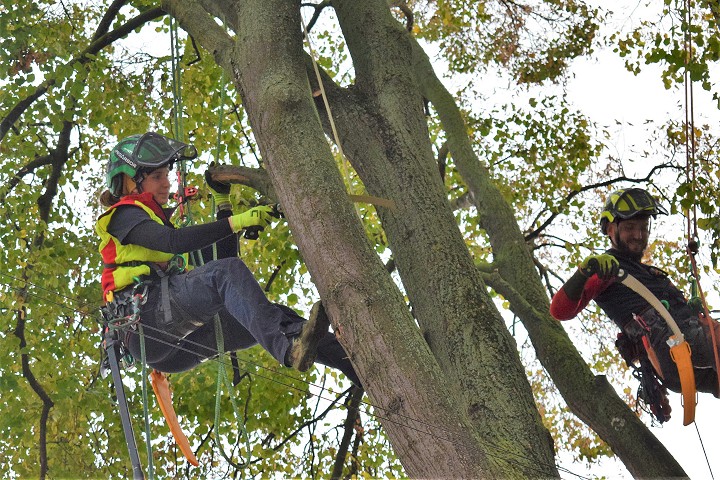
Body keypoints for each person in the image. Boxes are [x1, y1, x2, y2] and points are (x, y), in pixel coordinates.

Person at [97, 132, 360, 387]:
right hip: (148, 323)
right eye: (157, 176)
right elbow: (174, 242)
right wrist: (238, 222)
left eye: (166, 175)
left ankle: (356, 367)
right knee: (227, 276)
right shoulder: (123, 215)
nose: (166, 183)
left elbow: (224, 266)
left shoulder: (155, 230)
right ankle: (286, 350)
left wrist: (223, 203)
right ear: (129, 182)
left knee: (271, 317)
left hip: (171, 343)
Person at [550, 188, 720, 404]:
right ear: (610, 229)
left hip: (686, 348)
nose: (638, 235)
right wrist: (584, 271)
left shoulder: (653, 275)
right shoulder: (609, 270)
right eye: (630, 228)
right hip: (672, 349)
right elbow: (559, 311)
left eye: (643, 228)